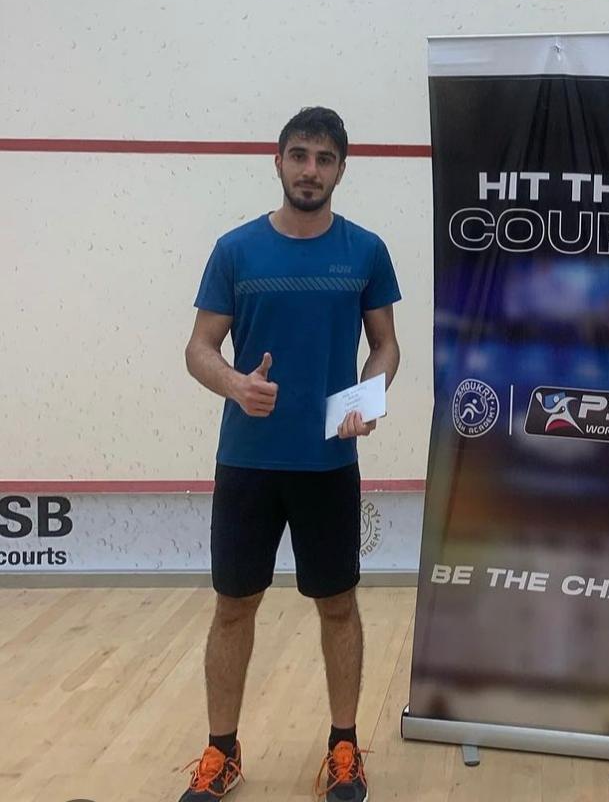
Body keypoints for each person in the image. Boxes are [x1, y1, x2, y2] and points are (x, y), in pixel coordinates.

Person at [179, 107, 401, 802]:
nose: (310, 170)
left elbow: (386, 345)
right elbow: (200, 349)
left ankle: (344, 748)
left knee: (337, 606)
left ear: (341, 170)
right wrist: (235, 384)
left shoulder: (365, 251)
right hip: (247, 463)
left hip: (329, 466)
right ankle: (221, 752)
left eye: (324, 159)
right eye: (299, 155)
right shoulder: (236, 251)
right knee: (233, 607)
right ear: (278, 162)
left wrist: (368, 399)